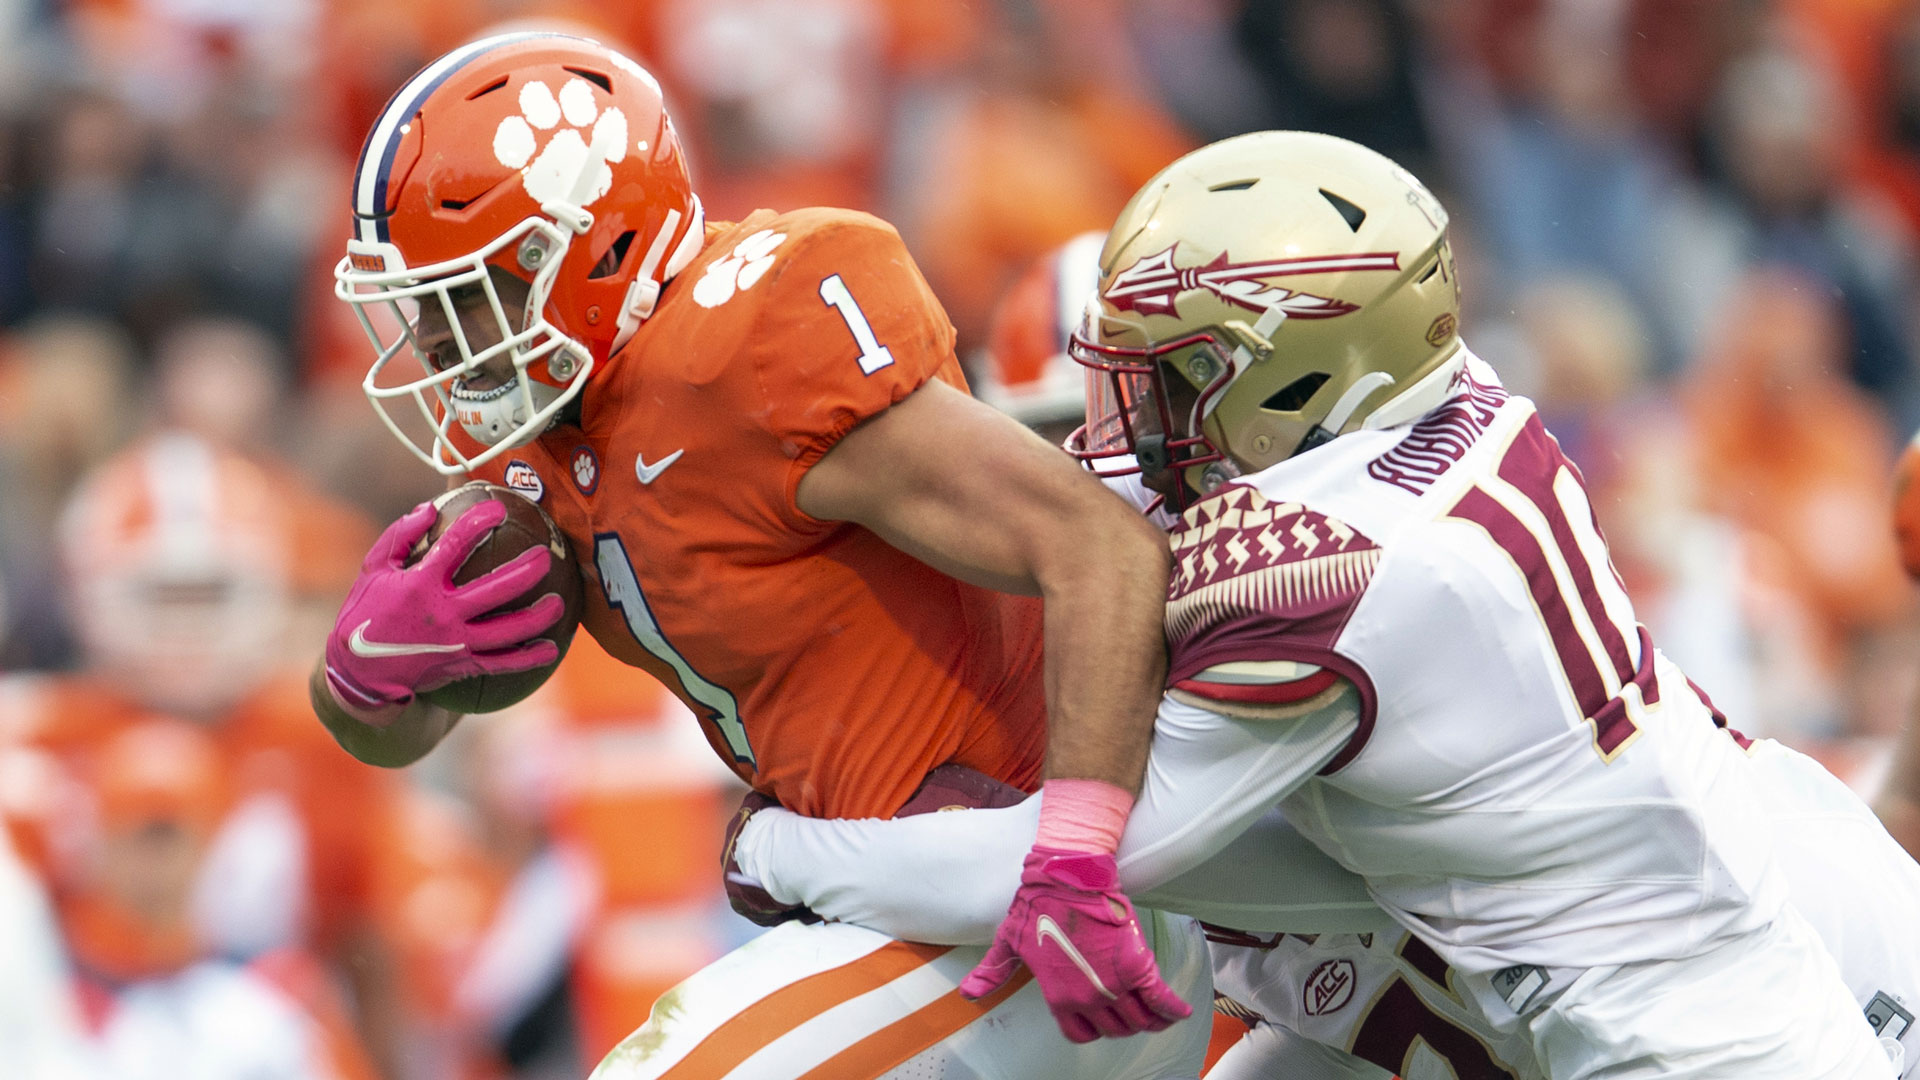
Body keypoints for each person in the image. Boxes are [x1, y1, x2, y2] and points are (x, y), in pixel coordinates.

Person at [725, 131, 1897, 1078]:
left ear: (1297, 377)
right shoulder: (1448, 407)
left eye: (1175, 382)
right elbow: (1306, 866)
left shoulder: (1336, 574)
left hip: (1690, 1043)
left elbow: (1065, 868)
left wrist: (785, 851)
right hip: (1708, 966)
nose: (1117, 442)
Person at [316, 31, 1205, 1069]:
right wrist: (358, 680)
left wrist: (1076, 856)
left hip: (1025, 897)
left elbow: (1101, 547)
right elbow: (399, 734)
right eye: (420, 303)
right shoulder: (551, 442)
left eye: (462, 295)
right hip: (893, 904)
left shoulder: (749, 347)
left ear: (589, 243)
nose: (434, 340)